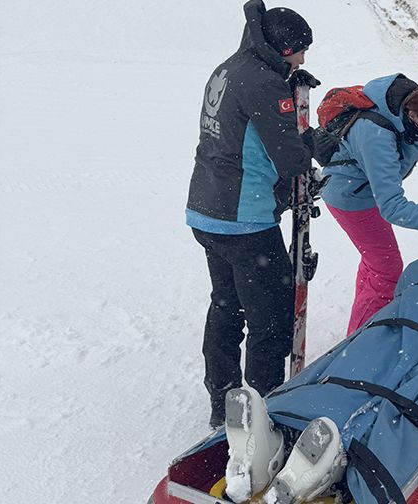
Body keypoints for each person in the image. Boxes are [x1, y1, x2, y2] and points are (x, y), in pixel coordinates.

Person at [185, 0, 318, 429]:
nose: (301, 60)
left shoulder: (231, 66)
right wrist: (316, 146)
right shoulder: (262, 82)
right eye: (299, 52)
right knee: (272, 319)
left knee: (226, 305)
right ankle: (262, 415)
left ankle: (222, 399)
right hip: (244, 219)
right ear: (282, 50)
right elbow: (289, 155)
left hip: (207, 209)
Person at [320, 75, 418, 336]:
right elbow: (393, 206)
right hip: (352, 198)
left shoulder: (402, 107)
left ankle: (360, 323)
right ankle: (360, 343)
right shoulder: (376, 136)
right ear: (413, 115)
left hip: (362, 191)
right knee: (387, 271)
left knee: (375, 263)